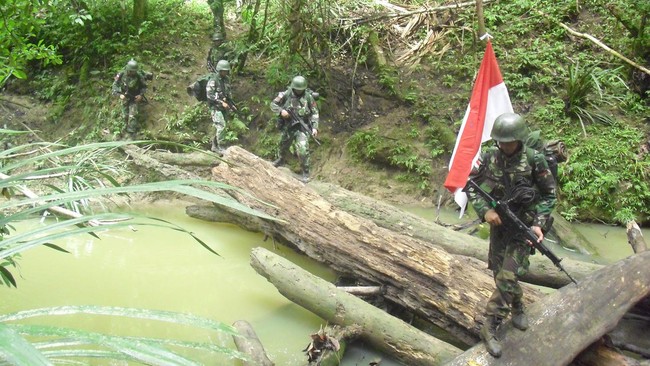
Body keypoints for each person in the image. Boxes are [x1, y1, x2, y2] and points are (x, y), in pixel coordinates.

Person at [466, 112, 557, 358]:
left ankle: (489, 325)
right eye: (501, 141)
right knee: (500, 276)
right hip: (498, 227)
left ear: (519, 138)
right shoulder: (489, 158)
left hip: (523, 228)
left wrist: (538, 225)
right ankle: (517, 305)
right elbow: (471, 186)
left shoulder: (534, 160)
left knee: (507, 276)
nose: (505, 145)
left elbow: (549, 195)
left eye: (509, 141)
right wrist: (486, 211)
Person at [270, 75, 320, 183]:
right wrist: (281, 111)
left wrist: (315, 128)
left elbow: (315, 112)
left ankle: (305, 172)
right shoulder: (285, 94)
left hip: (302, 127)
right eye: (297, 89)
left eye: (301, 90)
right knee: (283, 145)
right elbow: (273, 104)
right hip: (288, 125)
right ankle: (281, 160)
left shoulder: (308, 97)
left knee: (302, 149)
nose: (299, 91)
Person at [112, 59, 149, 138]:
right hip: (125, 97)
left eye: (134, 71)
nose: (133, 73)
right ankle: (122, 133)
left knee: (133, 115)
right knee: (124, 115)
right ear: (128, 70)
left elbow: (144, 87)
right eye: (132, 71)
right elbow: (115, 85)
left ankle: (131, 135)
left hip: (134, 98)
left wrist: (141, 95)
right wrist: (119, 94)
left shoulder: (139, 76)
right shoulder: (121, 74)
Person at [205, 59, 235, 154]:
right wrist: (221, 102)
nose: (226, 72)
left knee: (220, 127)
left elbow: (228, 93)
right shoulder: (213, 80)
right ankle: (220, 147)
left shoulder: (226, 80)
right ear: (220, 70)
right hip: (215, 107)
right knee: (221, 126)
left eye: (227, 71)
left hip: (224, 107)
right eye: (224, 71)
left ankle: (214, 146)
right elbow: (210, 95)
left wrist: (232, 104)